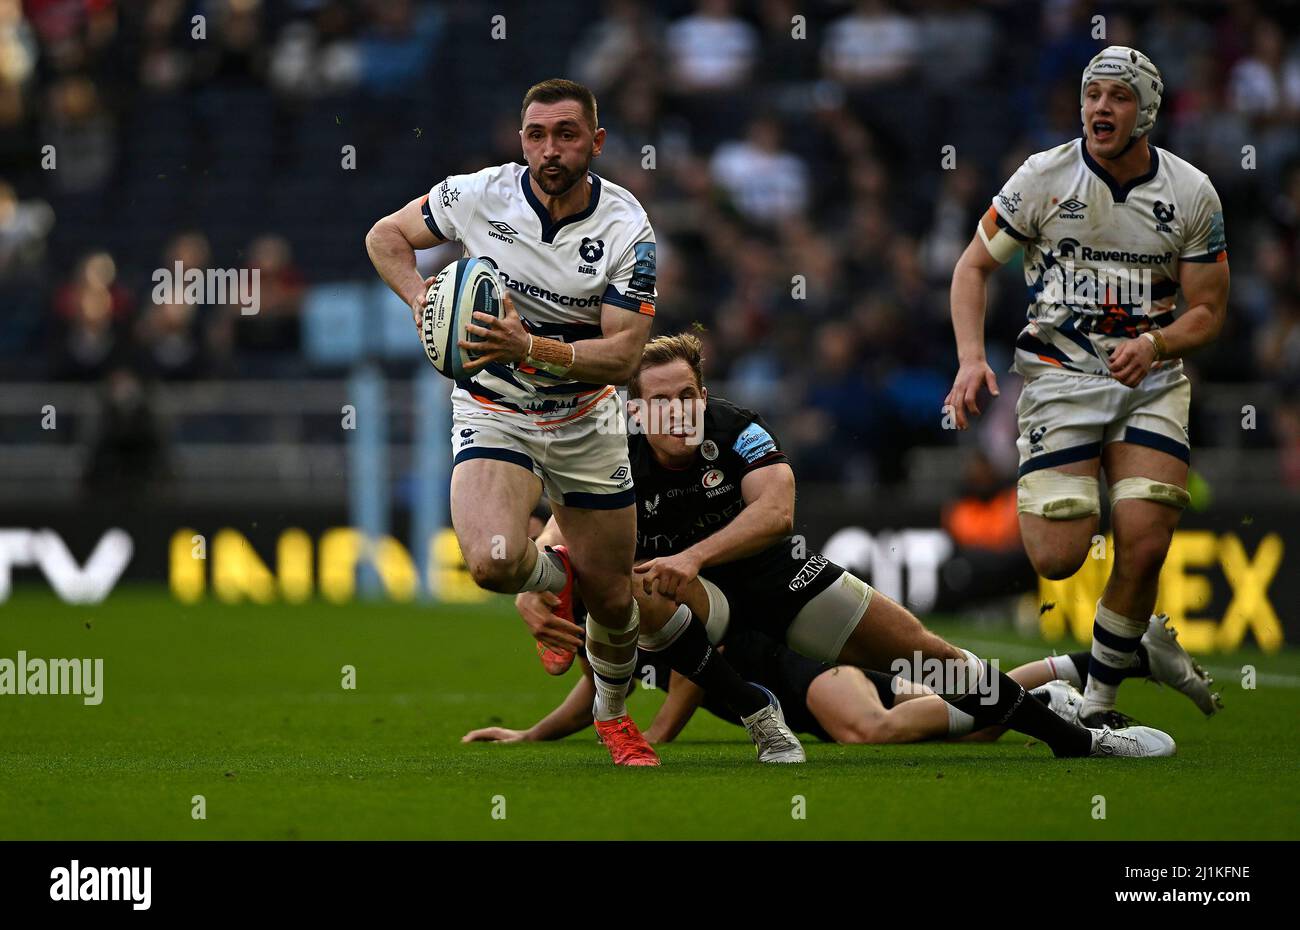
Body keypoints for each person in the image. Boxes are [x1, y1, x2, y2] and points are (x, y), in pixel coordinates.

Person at [366, 78, 793, 766]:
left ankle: (614, 717)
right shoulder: (479, 194)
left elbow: (624, 354)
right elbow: (385, 235)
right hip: (494, 408)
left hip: (587, 419)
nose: (549, 150)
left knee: (616, 601)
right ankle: (552, 578)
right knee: (493, 563)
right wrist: (422, 302)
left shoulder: (627, 230)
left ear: (595, 142)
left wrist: (527, 346)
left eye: (566, 134)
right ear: (521, 141)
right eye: (536, 135)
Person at [521, 332, 1183, 758]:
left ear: (703, 392)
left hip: (778, 581)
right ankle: (760, 716)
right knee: (640, 588)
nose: (679, 412)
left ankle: (1075, 741)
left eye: (688, 396)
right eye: (660, 400)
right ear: (636, 409)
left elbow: (778, 512)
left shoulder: (739, 428)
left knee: (931, 660)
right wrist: (535, 583)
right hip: (706, 604)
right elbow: (564, 527)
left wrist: (695, 553)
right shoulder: (611, 450)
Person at [944, 47, 1226, 726]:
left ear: (1147, 111)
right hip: (1060, 379)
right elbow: (971, 269)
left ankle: (1097, 704)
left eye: (1118, 97)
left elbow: (1209, 310)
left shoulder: (1191, 193)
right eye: (1092, 94)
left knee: (1146, 537)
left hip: (1149, 381)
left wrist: (1157, 342)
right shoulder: (1042, 177)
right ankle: (1135, 642)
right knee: (1058, 556)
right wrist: (970, 359)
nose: (1101, 107)